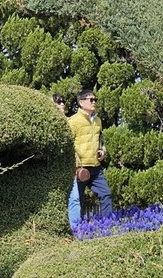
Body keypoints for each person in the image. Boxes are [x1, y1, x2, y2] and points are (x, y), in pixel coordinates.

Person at [67, 89, 113, 228]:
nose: (94, 102)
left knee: (106, 195)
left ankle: (107, 227)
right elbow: (68, 143)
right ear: (81, 102)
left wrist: (103, 151)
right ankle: (75, 230)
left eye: (95, 100)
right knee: (76, 200)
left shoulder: (98, 120)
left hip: (96, 168)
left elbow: (101, 140)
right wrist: (74, 160)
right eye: (91, 100)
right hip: (79, 169)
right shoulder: (73, 121)